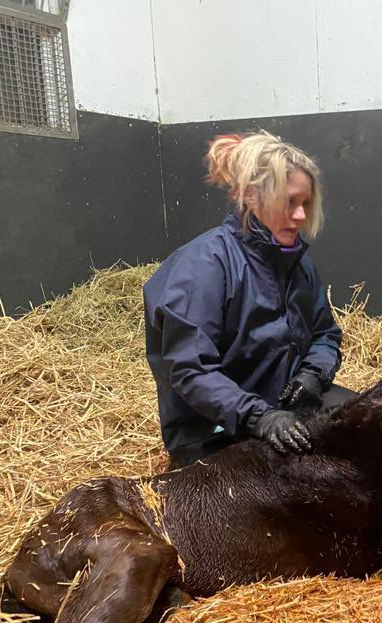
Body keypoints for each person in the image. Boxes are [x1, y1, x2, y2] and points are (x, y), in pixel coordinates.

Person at [144, 131, 352, 468]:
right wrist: (259, 418)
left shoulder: (297, 262)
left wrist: (312, 376)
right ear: (252, 196)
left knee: (380, 428)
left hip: (284, 405)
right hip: (215, 427)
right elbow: (192, 372)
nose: (300, 216)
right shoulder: (205, 264)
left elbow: (325, 334)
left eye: (306, 204)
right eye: (290, 202)